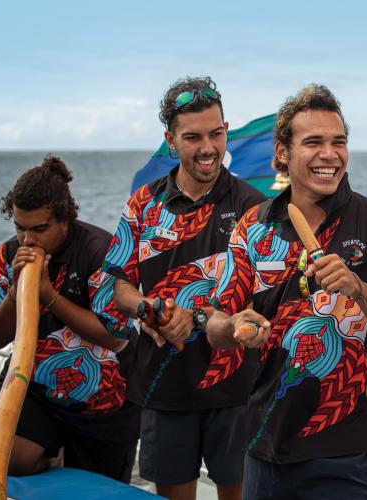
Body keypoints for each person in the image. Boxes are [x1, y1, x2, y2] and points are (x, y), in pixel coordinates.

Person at [206, 83, 367, 500]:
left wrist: (359, 290)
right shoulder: (251, 228)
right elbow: (216, 326)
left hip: (344, 453)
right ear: (282, 153)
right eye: (313, 142)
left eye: (338, 142)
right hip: (262, 444)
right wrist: (233, 325)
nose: (330, 154)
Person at [90, 76, 266, 500]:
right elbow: (118, 283)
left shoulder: (256, 207)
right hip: (162, 385)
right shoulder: (143, 204)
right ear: (171, 140)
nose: (208, 148)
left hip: (237, 386)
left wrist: (203, 318)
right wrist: (146, 308)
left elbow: (266, 298)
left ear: (226, 131)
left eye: (216, 134)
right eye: (192, 137)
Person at [0, 155, 139, 482]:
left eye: (39, 229)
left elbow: (115, 336)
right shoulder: (8, 255)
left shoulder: (101, 251)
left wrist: (50, 296)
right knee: (0, 455)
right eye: (20, 228)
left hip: (105, 400)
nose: (28, 240)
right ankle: (52, 455)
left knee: (96, 486)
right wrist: (14, 294)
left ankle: (67, 454)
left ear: (65, 220)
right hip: (35, 388)